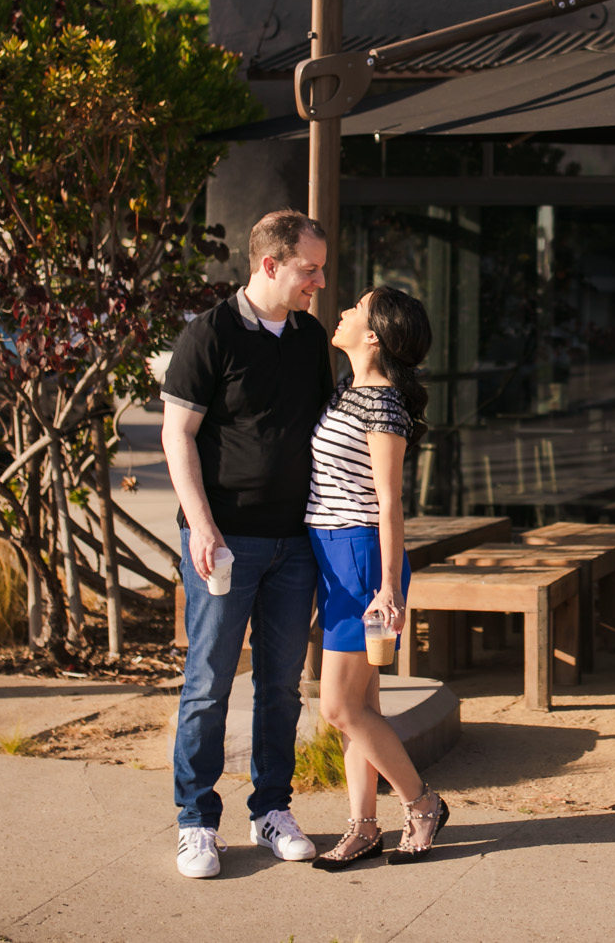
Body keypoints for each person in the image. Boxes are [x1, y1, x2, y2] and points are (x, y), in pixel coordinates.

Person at [161, 210, 329, 879]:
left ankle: (271, 810)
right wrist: (202, 527)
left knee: (281, 688)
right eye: (308, 268)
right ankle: (197, 822)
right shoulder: (209, 334)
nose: (319, 279)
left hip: (295, 544)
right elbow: (177, 436)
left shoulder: (312, 337)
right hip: (225, 542)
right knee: (206, 686)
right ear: (269, 264)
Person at [308, 285, 452, 868]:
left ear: (372, 336)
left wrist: (388, 586)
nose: (340, 313)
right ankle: (363, 827)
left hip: (363, 558)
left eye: (354, 310)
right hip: (334, 554)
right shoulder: (350, 392)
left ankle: (422, 803)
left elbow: (390, 505)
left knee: (338, 707)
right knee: (361, 707)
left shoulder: (382, 405)